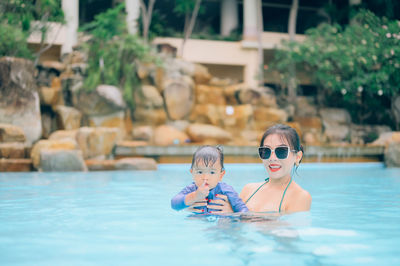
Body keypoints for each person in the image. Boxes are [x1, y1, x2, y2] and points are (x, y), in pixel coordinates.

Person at [209, 124, 312, 214]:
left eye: (281, 151)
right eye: (266, 151)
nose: (272, 158)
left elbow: (287, 233)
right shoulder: (249, 189)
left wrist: (235, 214)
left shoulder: (300, 196)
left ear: (297, 157)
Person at [171, 145, 248, 214]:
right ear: (192, 173)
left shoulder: (226, 190)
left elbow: (243, 210)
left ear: (221, 175)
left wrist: (232, 213)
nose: (205, 177)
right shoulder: (192, 189)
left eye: (212, 172)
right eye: (200, 172)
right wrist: (194, 196)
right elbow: (174, 204)